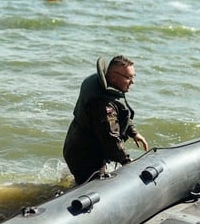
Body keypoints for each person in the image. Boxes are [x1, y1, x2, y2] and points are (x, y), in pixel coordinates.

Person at [63, 55, 149, 184]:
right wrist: (126, 161)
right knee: (91, 187)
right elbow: (111, 137)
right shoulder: (103, 104)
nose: (132, 82)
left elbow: (120, 113)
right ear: (114, 77)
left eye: (133, 77)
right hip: (85, 154)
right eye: (129, 77)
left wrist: (133, 132)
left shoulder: (105, 86)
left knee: (85, 181)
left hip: (77, 143)